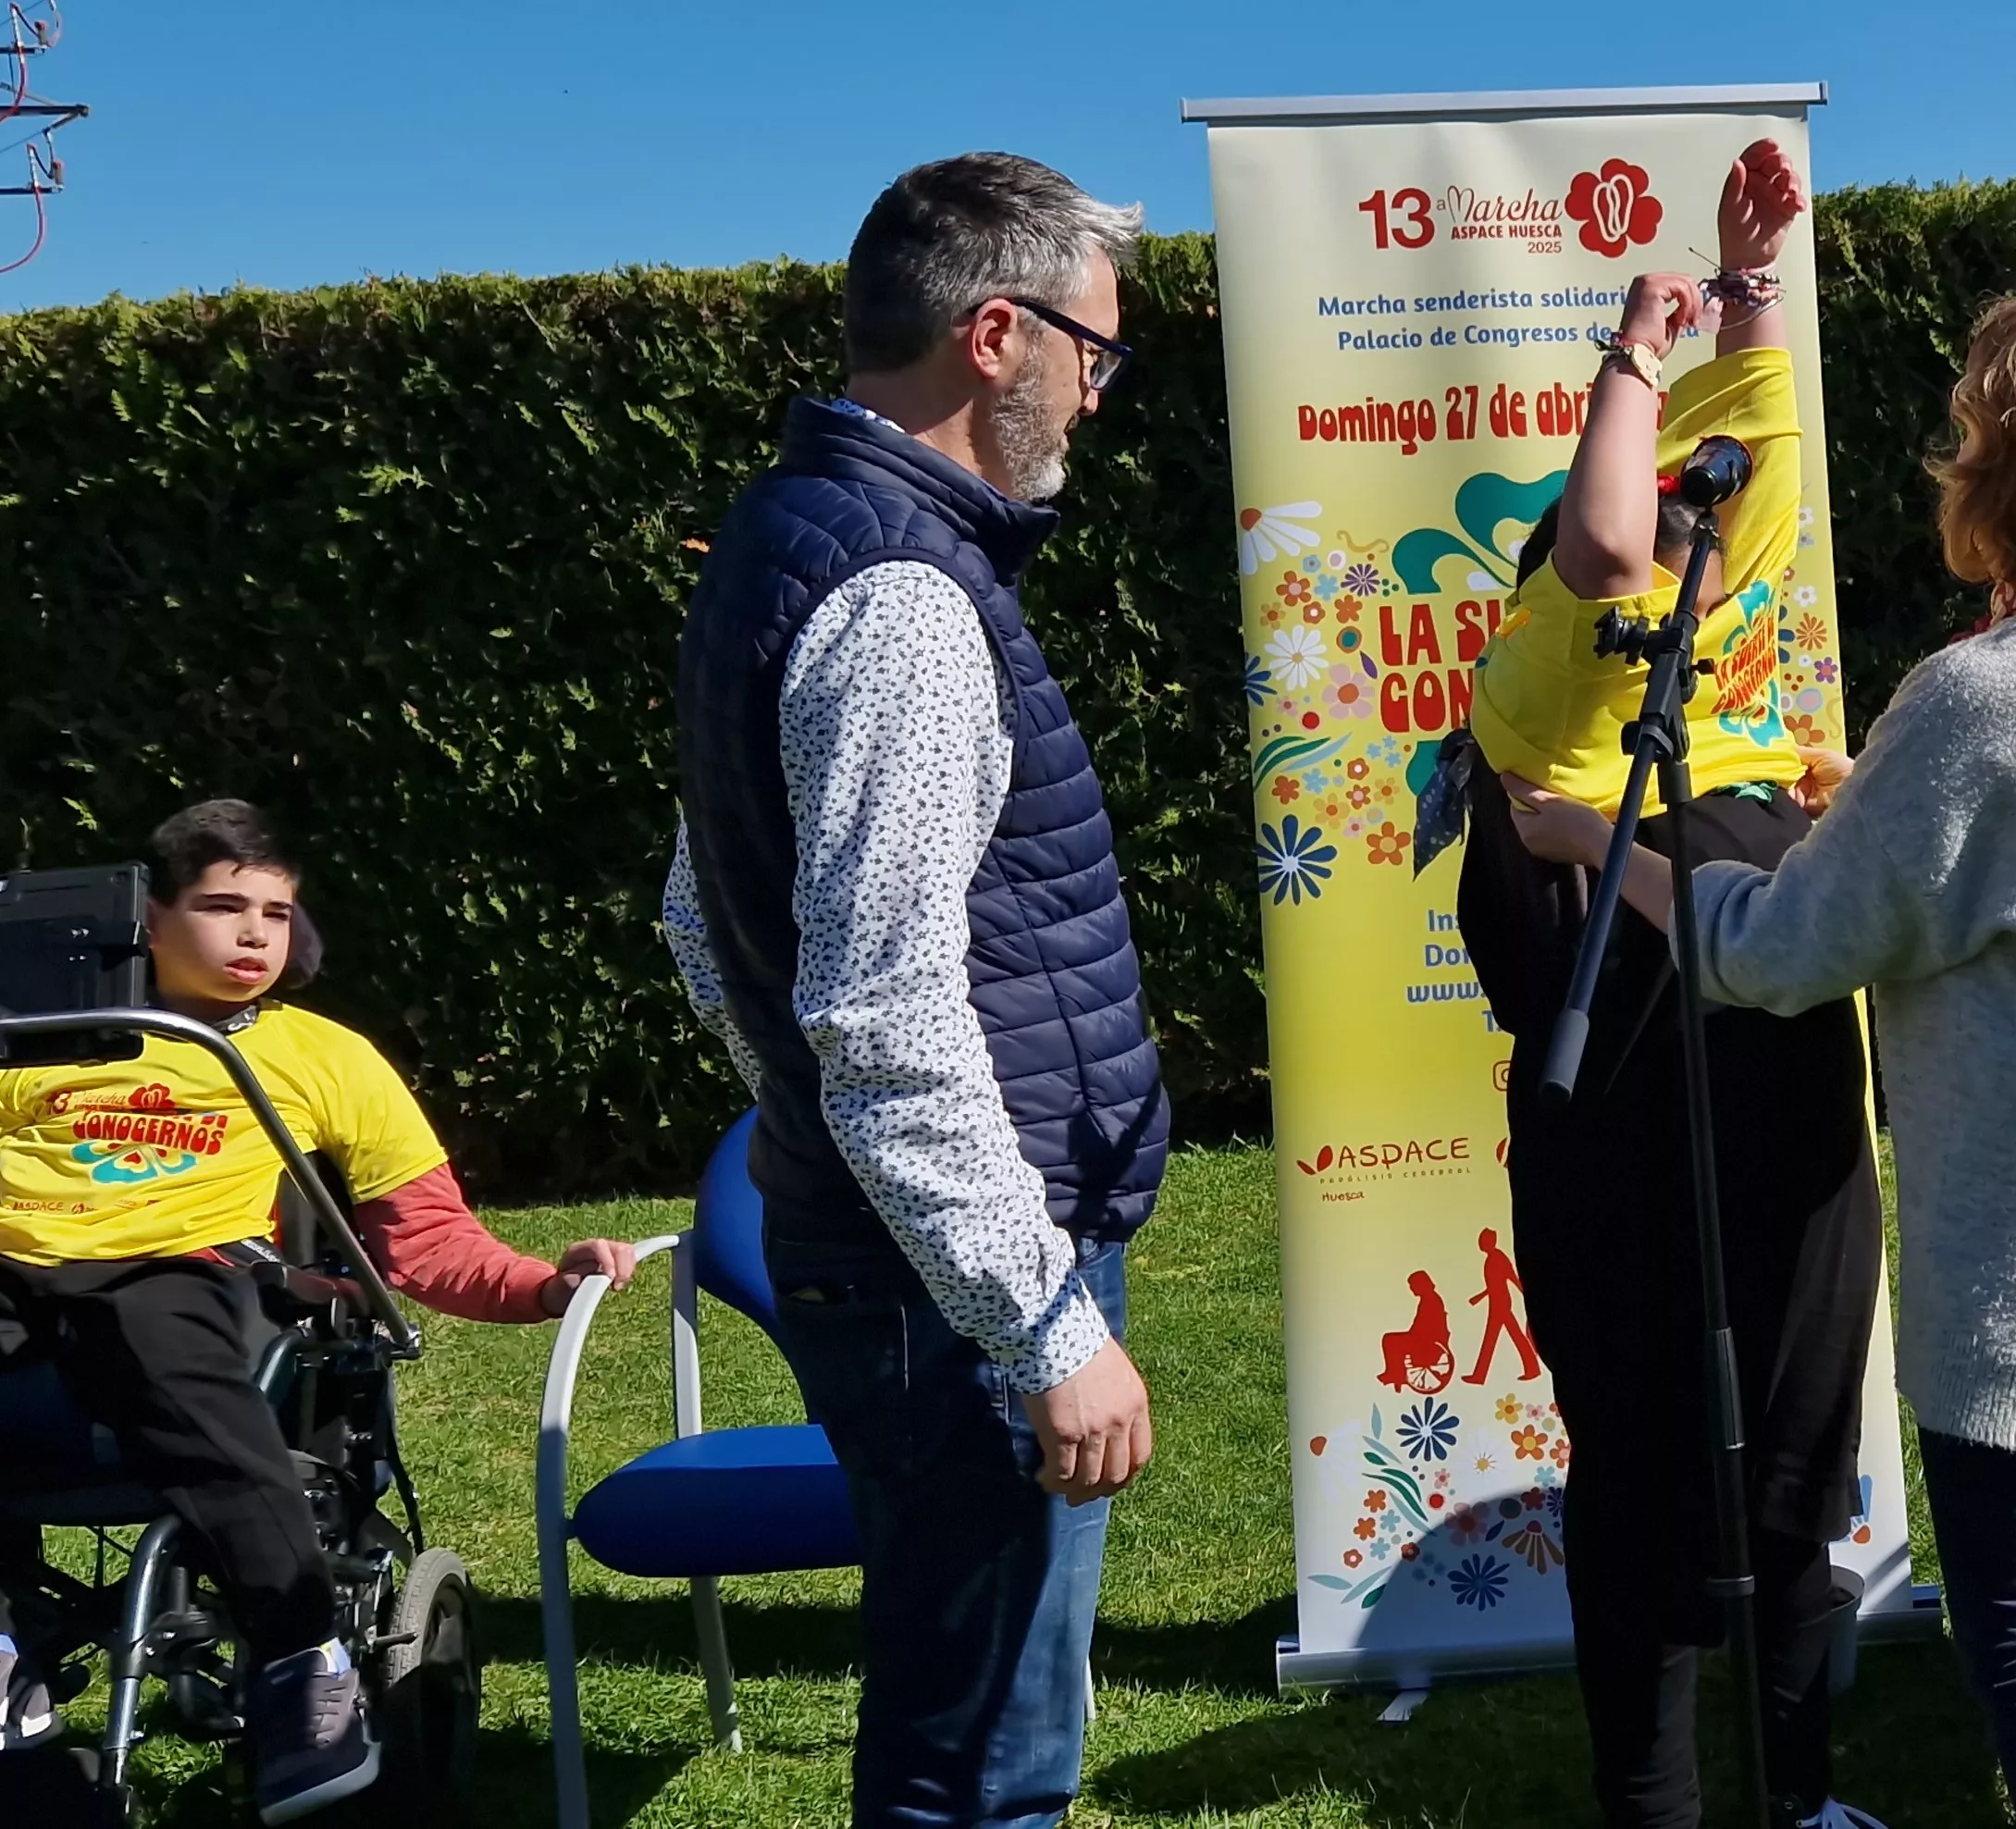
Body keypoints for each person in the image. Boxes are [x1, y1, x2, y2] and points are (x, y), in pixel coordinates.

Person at [1507, 275, 2016, 1829]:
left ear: (2014, 462)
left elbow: (1777, 951)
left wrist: (1605, 838)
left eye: (1968, 426)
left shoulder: (1981, 695)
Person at [660, 152, 1167, 1829]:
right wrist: (1036, 1318)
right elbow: (881, 1016)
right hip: (950, 1281)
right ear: (998, 336)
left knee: (959, 1720)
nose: (1101, 395)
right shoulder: (904, 602)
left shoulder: (785, 532)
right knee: (986, 1762)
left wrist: (809, 1113)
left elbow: (695, 916)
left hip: (898, 1252)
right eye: (1099, 353)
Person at [1460, 139, 1886, 1829]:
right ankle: (1654, 1803)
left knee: (1796, 1465)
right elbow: (1616, 552)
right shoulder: (1546, 682)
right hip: (1622, 1116)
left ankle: (1807, 1797)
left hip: (1782, 1095)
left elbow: (1749, 479)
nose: (1705, 545)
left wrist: (1749, 285)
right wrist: (1634, 351)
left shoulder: (1741, 641)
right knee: (1637, 1477)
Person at [0, 800, 635, 1823]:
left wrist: (545, 1284)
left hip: (172, 1271)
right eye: (222, 907)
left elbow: (423, 1240)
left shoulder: (323, 1056)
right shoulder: (31, 1035)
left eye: (277, 912)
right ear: (146, 917)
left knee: (159, 1327)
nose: (255, 934)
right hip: (15, 1261)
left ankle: (300, 1658)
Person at [1462, 1226, 1540, 1386]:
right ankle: (1531, 1369)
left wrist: (1527, 1295)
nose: (1481, 1243)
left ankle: (1480, 1375)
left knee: (1494, 1338)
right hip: (1497, 1301)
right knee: (1509, 1336)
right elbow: (1493, 1285)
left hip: (1501, 1303)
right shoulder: (1491, 1258)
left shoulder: (1498, 1257)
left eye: (1483, 1240)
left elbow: (1511, 1277)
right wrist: (1480, 1297)